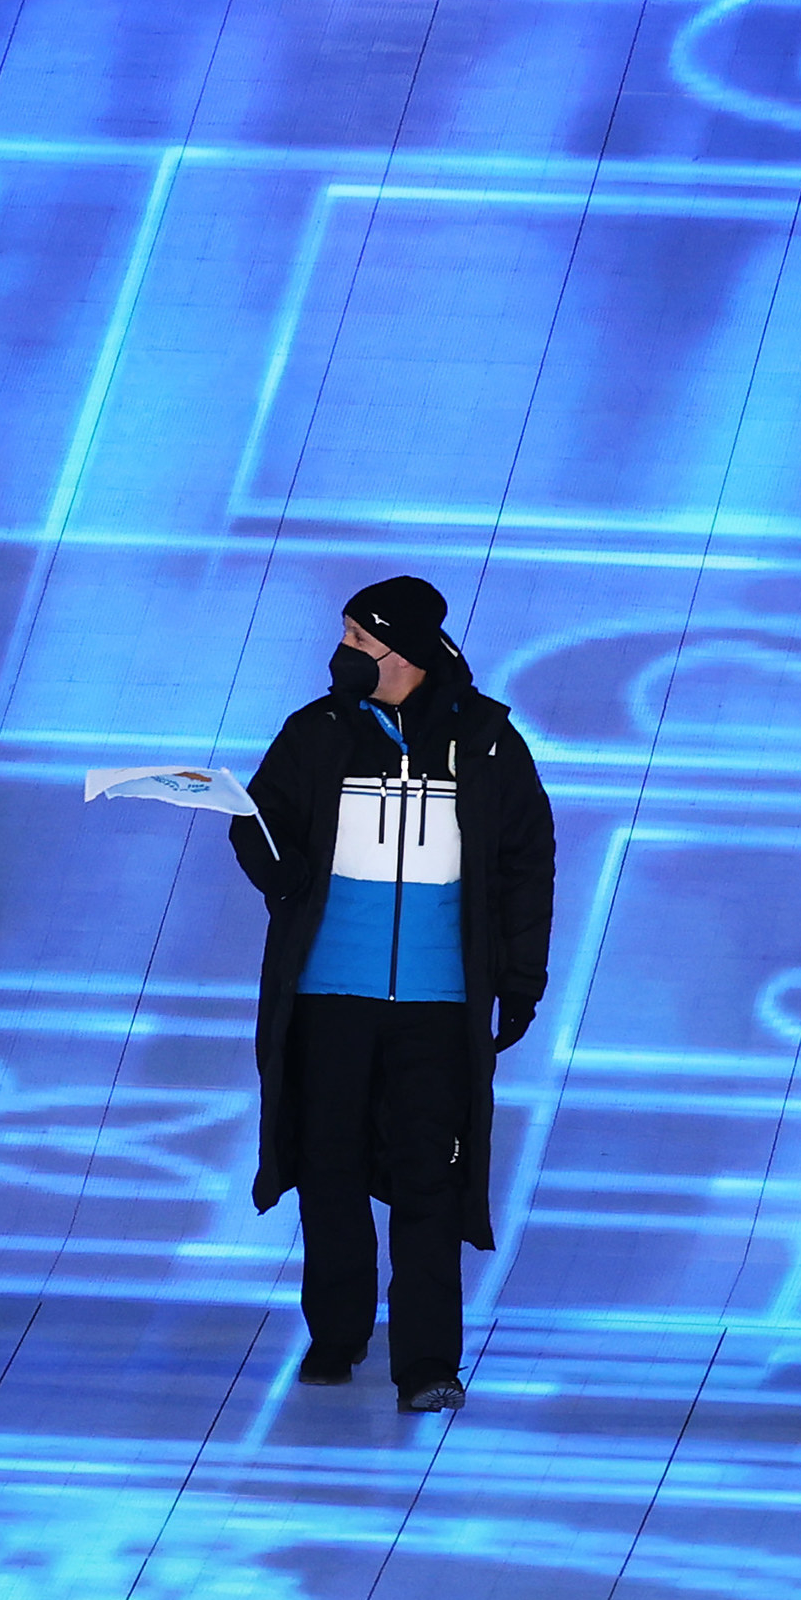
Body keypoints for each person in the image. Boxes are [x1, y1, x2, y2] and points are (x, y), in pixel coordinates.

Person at [231, 575, 555, 1412]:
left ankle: (427, 1365)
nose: (342, 652)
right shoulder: (316, 732)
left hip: (439, 1008)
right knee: (329, 1169)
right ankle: (336, 1338)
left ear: (402, 652)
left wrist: (519, 980)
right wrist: (282, 867)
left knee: (427, 1184)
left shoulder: (486, 740)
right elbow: (256, 823)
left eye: (357, 638)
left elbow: (526, 864)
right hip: (328, 996)